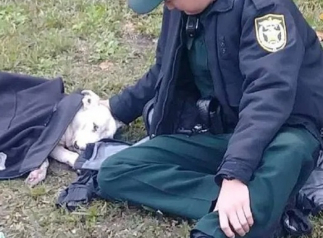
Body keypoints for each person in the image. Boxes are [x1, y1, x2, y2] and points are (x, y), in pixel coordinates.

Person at [96, 0, 323, 237]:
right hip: (228, 134)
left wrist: (234, 175)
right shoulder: (182, 8)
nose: (169, 7)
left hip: (285, 131)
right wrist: (115, 108)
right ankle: (252, 204)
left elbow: (268, 95)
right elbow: (164, 70)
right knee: (115, 170)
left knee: (291, 149)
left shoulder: (265, 8)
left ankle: (222, 225)